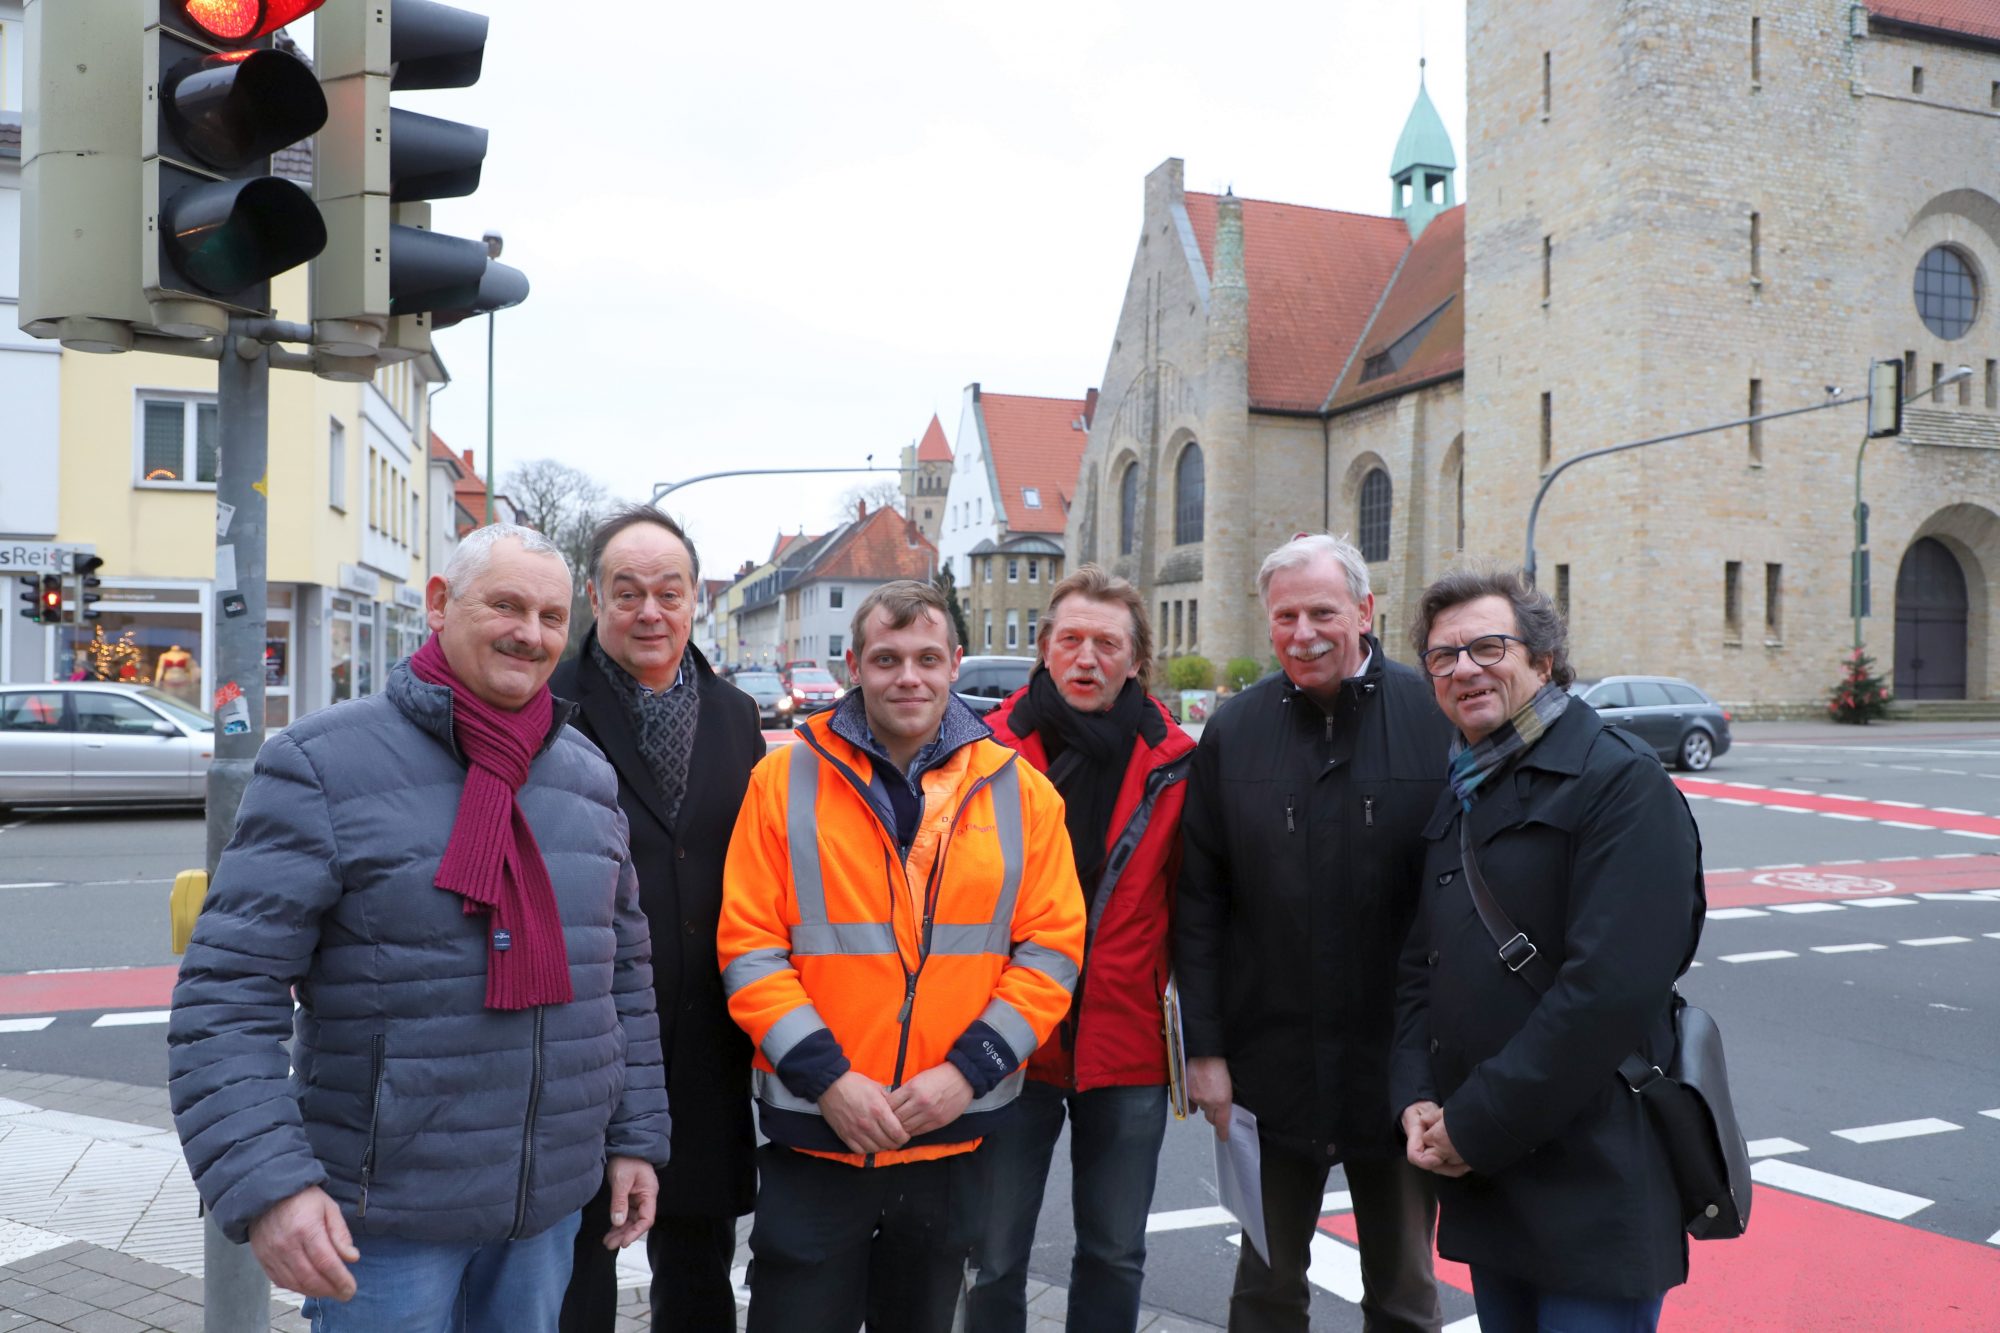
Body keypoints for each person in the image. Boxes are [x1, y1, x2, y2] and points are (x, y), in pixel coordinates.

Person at [168, 524, 671, 1330]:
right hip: (385, 1223)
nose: (531, 633)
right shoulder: (322, 764)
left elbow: (622, 979)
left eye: (550, 614)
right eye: (505, 605)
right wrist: (272, 1186)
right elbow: (226, 995)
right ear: (439, 604)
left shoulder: (584, 775)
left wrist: (637, 1135)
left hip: (541, 1214)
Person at [719, 580, 1087, 1333]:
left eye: (926, 657)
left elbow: (1051, 953)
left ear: (955, 663)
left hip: (952, 1135)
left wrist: (965, 1073)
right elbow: (750, 947)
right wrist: (829, 1081)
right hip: (818, 1136)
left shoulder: (1025, 794)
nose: (908, 676)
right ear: (854, 663)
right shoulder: (781, 780)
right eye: (886, 658)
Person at [1393, 569, 1704, 1332]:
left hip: (1594, 1182)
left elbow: (1608, 992)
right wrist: (1416, 1096)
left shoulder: (1619, 780)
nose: (1464, 668)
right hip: (1496, 1180)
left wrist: (1475, 1124)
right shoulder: (1464, 789)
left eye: (1487, 646)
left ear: (1542, 659)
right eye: (1443, 656)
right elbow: (1417, 968)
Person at [1176, 533, 1449, 1333]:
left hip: (1400, 1066)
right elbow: (1201, 901)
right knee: (1265, 1288)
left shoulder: (1433, 716)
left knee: (1402, 1290)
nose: (1303, 632)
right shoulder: (1235, 730)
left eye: (1322, 611)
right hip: (1269, 1063)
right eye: (1285, 615)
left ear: (1364, 612)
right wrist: (1207, 1051)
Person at [967, 566, 1194, 1332]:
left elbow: (1198, 911)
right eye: (1070, 640)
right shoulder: (983, 753)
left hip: (1125, 1045)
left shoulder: (1176, 761)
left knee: (1114, 1251)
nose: (1086, 658)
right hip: (1005, 1044)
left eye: (1107, 643)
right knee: (991, 1255)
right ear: (1044, 650)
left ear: (1137, 660)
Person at [556, 506, 766, 1333]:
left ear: (694, 601)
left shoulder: (736, 715)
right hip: (586, 1037)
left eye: (669, 592)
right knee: (578, 1270)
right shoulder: (548, 709)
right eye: (629, 591)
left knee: (699, 1270)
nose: (651, 611)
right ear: (595, 597)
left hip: (707, 1038)